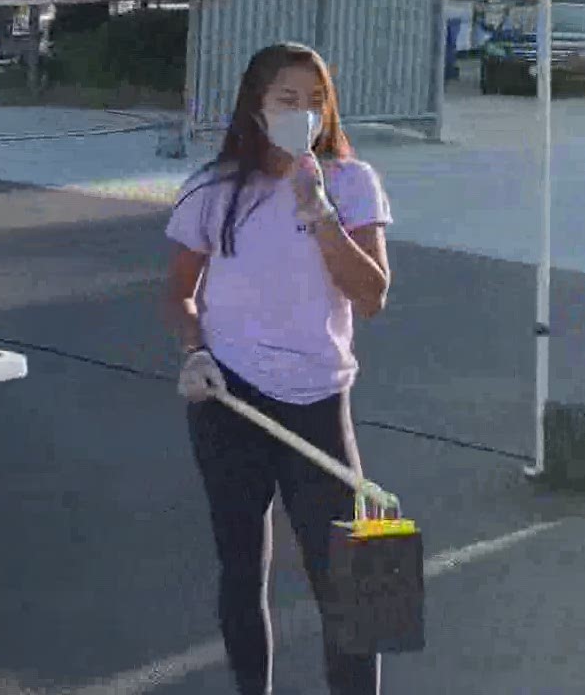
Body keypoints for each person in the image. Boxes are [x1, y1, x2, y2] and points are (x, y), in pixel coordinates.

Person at [167, 42, 394, 695]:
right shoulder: (214, 189)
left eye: (316, 102)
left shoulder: (352, 183)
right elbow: (180, 291)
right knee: (242, 568)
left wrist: (318, 210)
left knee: (346, 581)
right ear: (257, 107)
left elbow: (372, 295)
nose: (304, 114)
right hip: (229, 401)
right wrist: (194, 349)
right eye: (287, 101)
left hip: (317, 402)